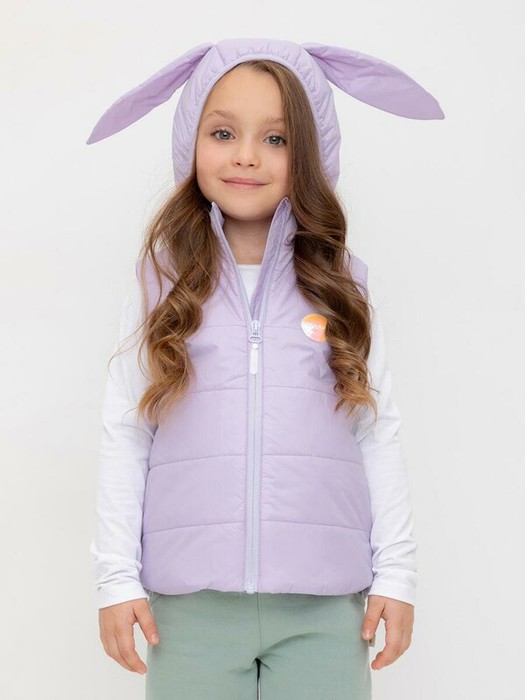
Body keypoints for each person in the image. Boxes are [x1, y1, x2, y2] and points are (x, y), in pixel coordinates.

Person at [87, 38, 444, 700]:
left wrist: (397, 575)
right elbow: (126, 433)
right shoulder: (162, 288)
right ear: (191, 142)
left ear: (309, 155)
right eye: (223, 133)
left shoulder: (341, 288)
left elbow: (376, 430)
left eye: (276, 139)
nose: (246, 155)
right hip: (188, 609)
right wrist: (116, 579)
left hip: (324, 607)